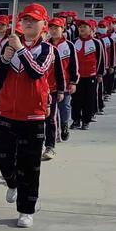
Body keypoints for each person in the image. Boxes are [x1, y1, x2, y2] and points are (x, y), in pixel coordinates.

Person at [0, 3, 54, 228]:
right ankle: (12, 181)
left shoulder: (46, 49)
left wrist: (19, 50)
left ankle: (26, 210)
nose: (28, 23)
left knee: (30, 165)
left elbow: (36, 72)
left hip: (33, 115)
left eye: (34, 20)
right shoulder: (9, 45)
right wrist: (6, 57)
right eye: (25, 19)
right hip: (8, 111)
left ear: (43, 24)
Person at [46, 17, 79, 149]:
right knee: (52, 112)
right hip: (49, 84)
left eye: (56, 28)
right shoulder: (46, 45)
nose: (53, 31)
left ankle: (65, 124)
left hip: (65, 84)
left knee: (64, 108)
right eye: (51, 28)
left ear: (62, 29)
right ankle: (56, 134)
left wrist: (73, 82)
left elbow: (74, 65)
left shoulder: (69, 45)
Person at [71, 19, 104, 131]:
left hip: (91, 76)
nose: (82, 29)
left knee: (89, 99)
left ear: (90, 29)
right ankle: (76, 120)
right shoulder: (74, 42)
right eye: (80, 27)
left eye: (84, 27)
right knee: (76, 99)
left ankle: (86, 121)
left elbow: (101, 59)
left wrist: (99, 74)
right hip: (77, 76)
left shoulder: (96, 43)